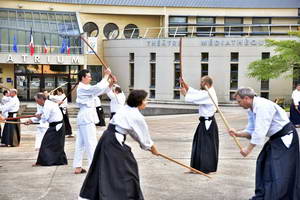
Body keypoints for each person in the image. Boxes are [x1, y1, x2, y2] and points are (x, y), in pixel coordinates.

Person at [79, 89, 159, 200]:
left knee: (112, 167)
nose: (147, 102)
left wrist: (147, 147)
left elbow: (134, 133)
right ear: (139, 101)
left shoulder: (126, 109)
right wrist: (152, 148)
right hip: (113, 141)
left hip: (108, 138)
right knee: (127, 168)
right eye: (145, 100)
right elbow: (145, 138)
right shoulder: (137, 116)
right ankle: (122, 195)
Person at [229, 87, 300, 200]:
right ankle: (265, 194)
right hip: (275, 138)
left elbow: (259, 132)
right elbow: (251, 130)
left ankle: (280, 196)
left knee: (279, 170)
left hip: (286, 138)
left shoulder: (262, 106)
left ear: (246, 98)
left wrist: (248, 150)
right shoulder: (251, 109)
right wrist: (238, 134)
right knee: (263, 163)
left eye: (239, 101)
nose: (239, 104)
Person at [73, 68, 113, 174]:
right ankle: (94, 167)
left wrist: (110, 83)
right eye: (89, 76)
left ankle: (78, 166)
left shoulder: (86, 87)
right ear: (83, 77)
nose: (91, 78)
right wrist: (106, 76)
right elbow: (97, 88)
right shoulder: (82, 87)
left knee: (80, 143)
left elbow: (99, 91)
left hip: (85, 117)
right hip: (86, 117)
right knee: (91, 142)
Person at [179, 76, 219, 174]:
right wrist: (184, 84)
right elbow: (196, 93)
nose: (200, 83)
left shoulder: (209, 94)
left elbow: (195, 98)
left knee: (205, 147)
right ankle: (196, 167)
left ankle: (204, 168)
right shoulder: (207, 91)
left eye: (201, 82)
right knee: (198, 145)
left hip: (207, 123)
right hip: (204, 122)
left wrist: (185, 94)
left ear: (206, 84)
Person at [26, 93, 67, 166]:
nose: (36, 102)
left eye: (37, 100)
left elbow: (44, 118)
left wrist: (38, 117)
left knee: (47, 144)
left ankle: (46, 161)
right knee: (53, 144)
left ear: (41, 99)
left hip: (57, 126)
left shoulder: (48, 105)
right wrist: (31, 120)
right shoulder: (45, 105)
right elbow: (40, 114)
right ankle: (52, 161)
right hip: (53, 126)